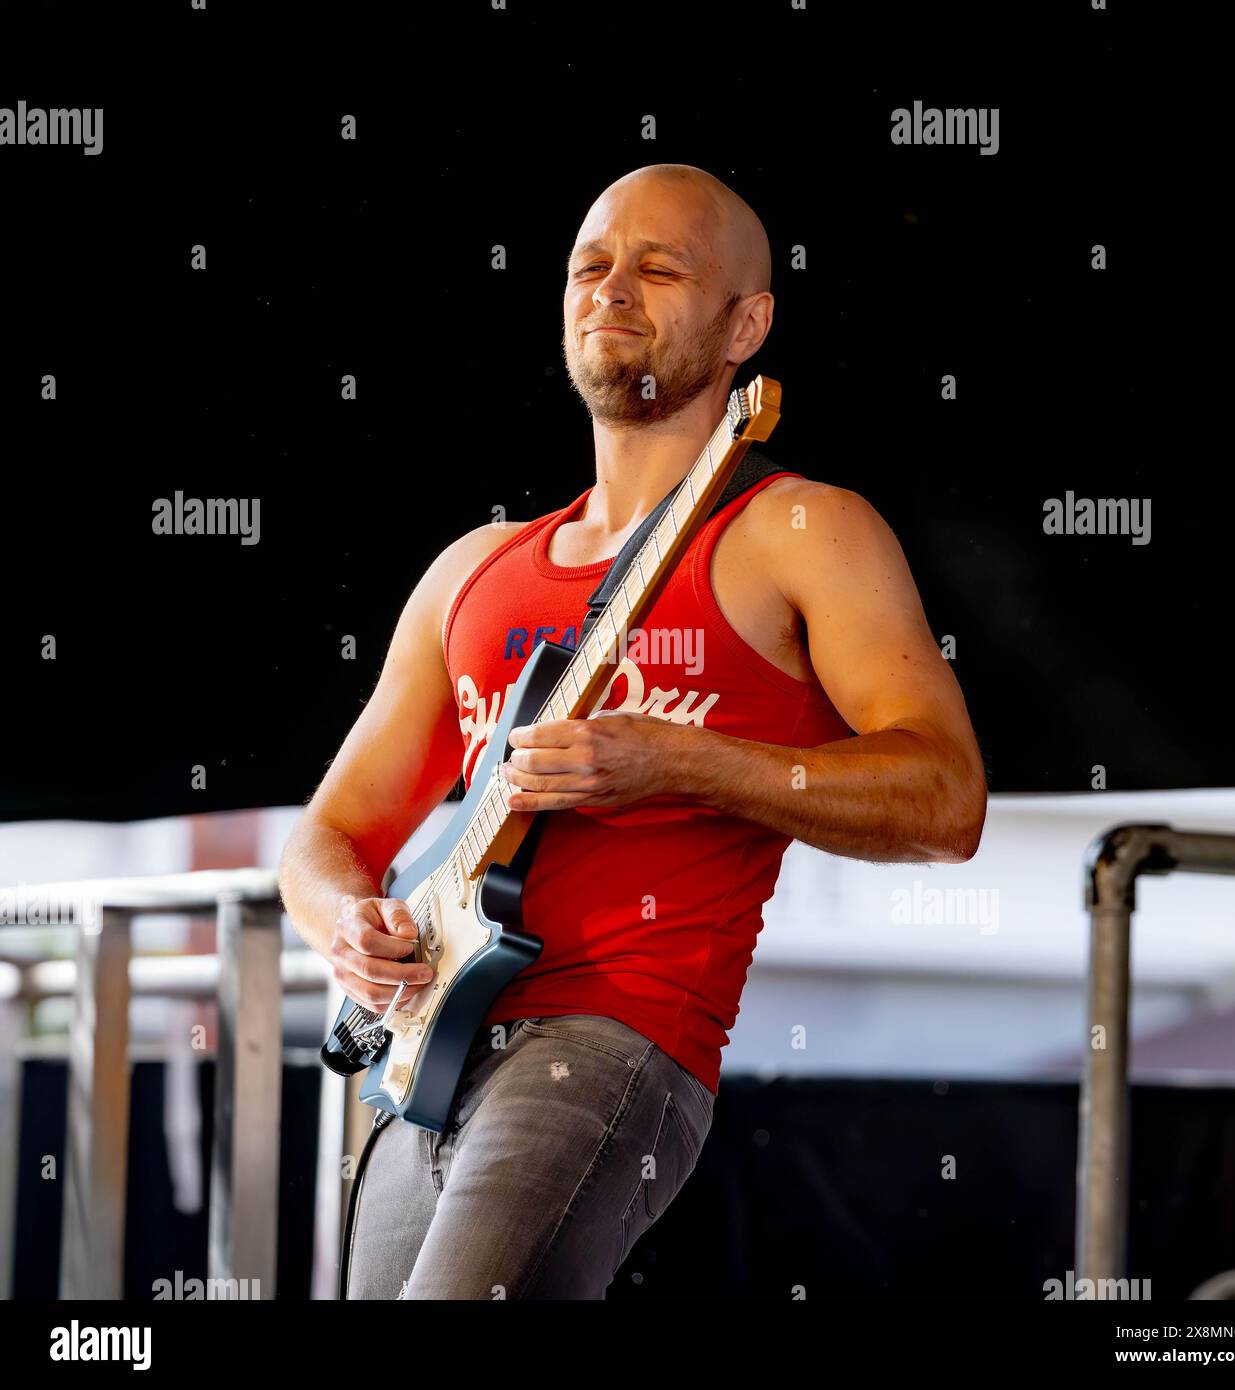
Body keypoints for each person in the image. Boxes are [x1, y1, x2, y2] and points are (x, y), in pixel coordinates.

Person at [279, 163, 987, 1299]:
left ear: (745, 323)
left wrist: (678, 759)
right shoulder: (471, 567)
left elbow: (946, 800)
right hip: (422, 1046)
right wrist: (346, 928)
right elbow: (326, 838)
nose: (612, 288)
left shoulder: (803, 530)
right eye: (590, 266)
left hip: (613, 1032)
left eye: (660, 268)